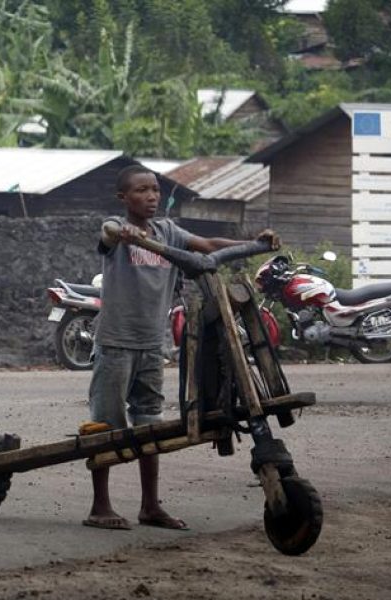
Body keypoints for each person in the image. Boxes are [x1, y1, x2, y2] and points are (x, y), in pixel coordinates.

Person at [83, 164, 276, 531]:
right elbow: (107, 235)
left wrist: (257, 244)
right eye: (141, 190)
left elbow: (208, 247)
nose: (152, 196)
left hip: (152, 345)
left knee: (149, 422)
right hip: (116, 343)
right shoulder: (117, 229)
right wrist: (121, 233)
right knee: (105, 425)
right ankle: (100, 506)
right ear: (124, 198)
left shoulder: (168, 232)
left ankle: (149, 506)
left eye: (154, 189)